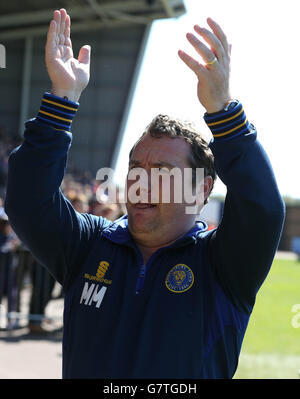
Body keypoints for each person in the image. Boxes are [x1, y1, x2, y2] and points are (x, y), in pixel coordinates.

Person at [4, 9, 285, 378]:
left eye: (163, 172)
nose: (142, 183)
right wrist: (61, 100)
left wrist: (223, 112)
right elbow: (27, 201)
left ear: (200, 189)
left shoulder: (223, 265)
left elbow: (262, 207)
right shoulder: (89, 245)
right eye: (136, 168)